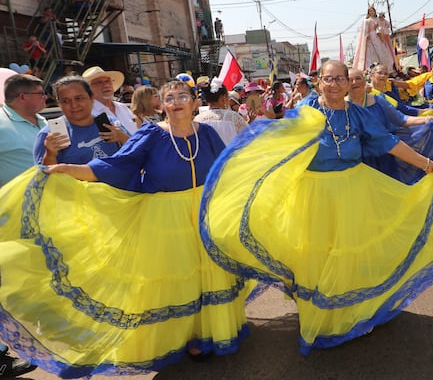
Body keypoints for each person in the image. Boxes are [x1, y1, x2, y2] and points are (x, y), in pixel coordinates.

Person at [200, 60, 433, 355]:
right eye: (329, 79)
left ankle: (353, 314)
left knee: (353, 252)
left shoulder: (358, 113)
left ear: (349, 82)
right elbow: (280, 140)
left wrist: (428, 164)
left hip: (355, 189)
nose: (336, 84)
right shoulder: (307, 109)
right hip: (314, 194)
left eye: (340, 79)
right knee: (317, 255)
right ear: (319, 82)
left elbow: (388, 141)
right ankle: (321, 318)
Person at [0, 80, 255, 376]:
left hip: (204, 212)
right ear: (160, 105)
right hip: (166, 217)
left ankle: (207, 332)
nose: (176, 101)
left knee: (209, 273)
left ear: (194, 103)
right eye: (169, 97)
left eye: (183, 96)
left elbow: (225, 168)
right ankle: (181, 337)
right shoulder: (151, 134)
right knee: (176, 277)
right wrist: (64, 168)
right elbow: (116, 166)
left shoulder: (208, 133)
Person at [347, 68, 433, 184]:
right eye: (350, 80)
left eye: (358, 78)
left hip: (384, 156)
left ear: (364, 81)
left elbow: (400, 119)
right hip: (357, 162)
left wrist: (427, 119)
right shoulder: (341, 107)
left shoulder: (378, 101)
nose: (354, 82)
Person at [33, 76, 124, 165]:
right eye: (66, 101)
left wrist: (123, 138)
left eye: (79, 98)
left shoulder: (110, 123)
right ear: (59, 103)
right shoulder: (49, 135)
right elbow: (42, 176)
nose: (74, 105)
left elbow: (135, 154)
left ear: (91, 98)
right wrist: (50, 155)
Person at [0, 74, 47, 186]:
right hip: (14, 201)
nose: (45, 97)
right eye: (40, 93)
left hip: (49, 197)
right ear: (22, 97)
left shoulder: (43, 121)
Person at [83, 66, 138, 134]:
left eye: (108, 81)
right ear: (88, 89)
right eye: (99, 82)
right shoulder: (89, 113)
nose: (106, 85)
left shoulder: (123, 107)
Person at [195, 78, 248, 144]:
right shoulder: (232, 117)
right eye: (227, 96)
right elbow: (247, 136)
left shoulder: (198, 119)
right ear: (223, 97)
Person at [353, 6, 397, 73]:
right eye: (370, 11)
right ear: (368, 12)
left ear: (375, 11)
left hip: (379, 37)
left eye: (372, 11)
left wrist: (382, 19)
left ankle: (387, 69)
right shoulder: (367, 21)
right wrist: (367, 38)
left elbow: (387, 25)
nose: (371, 12)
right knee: (372, 55)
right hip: (371, 38)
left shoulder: (378, 19)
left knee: (383, 53)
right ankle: (371, 70)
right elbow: (365, 31)